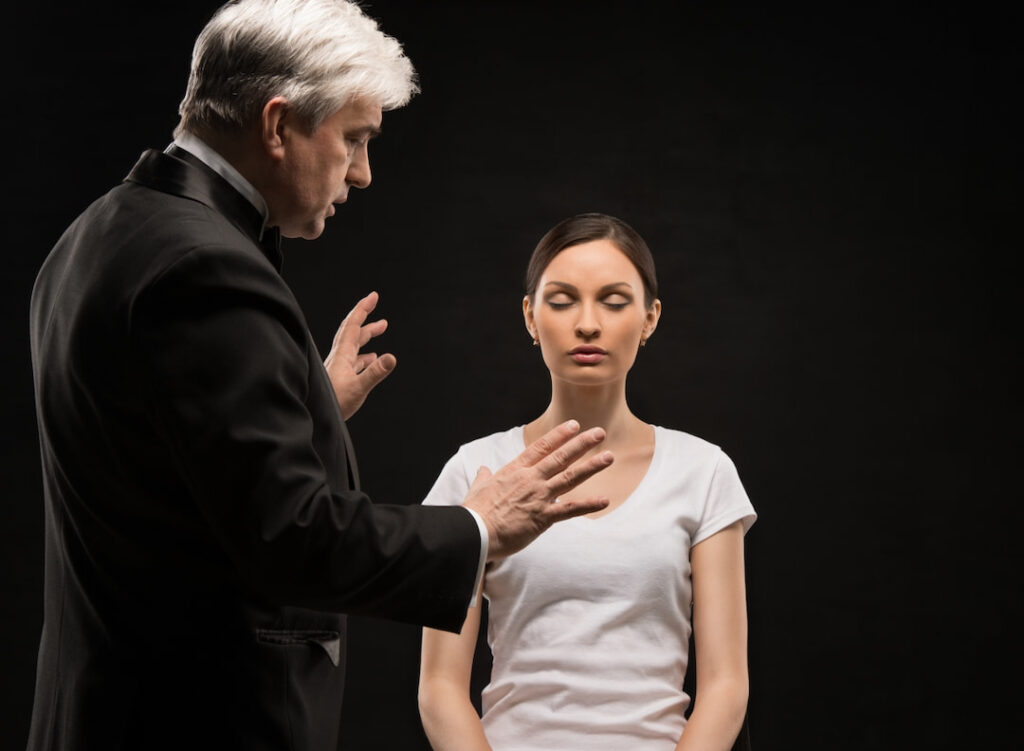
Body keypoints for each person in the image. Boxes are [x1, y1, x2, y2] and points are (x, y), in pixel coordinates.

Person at [26, 2, 615, 749]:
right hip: (195, 720)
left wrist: (313, 403)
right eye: (354, 139)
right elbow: (293, 537)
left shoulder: (102, 230)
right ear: (277, 126)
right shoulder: (205, 268)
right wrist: (481, 524)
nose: (363, 174)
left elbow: (164, 459)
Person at [418, 212, 757, 751]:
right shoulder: (476, 471)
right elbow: (438, 688)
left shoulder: (703, 471)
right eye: (562, 300)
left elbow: (726, 685)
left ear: (650, 318)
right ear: (530, 317)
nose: (588, 324)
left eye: (615, 301)